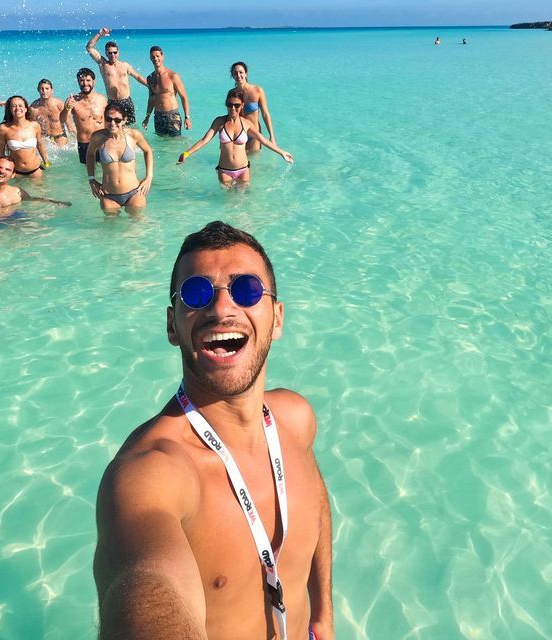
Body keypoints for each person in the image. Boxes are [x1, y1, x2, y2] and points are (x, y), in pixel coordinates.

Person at [94, 220, 334, 640]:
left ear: (276, 318)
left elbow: (315, 504)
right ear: (173, 325)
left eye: (246, 291)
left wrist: (324, 616)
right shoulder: (151, 472)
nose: (222, 310)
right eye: (197, 293)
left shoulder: (296, 421)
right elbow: (146, 585)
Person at [177, 88, 293, 188]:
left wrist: (281, 152)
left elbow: (263, 140)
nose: (233, 108)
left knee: (242, 205)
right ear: (226, 104)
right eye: (230, 104)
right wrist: (186, 154)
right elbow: (204, 140)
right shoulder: (219, 121)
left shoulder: (246, 123)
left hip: (243, 171)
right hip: (224, 171)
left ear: (242, 105)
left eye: (237, 105)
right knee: (228, 206)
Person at [85, 104, 153, 216]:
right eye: (108, 119)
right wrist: (91, 179)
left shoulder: (133, 135)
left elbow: (148, 151)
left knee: (138, 231)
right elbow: (90, 154)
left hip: (134, 194)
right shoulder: (98, 137)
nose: (112, 123)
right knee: (111, 231)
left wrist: (149, 177)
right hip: (108, 196)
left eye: (117, 120)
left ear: (124, 120)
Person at [85, 27, 148, 126]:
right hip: (112, 103)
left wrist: (150, 86)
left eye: (115, 52)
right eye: (110, 53)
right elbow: (89, 47)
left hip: (126, 101)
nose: (112, 55)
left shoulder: (125, 65)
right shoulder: (103, 64)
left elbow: (138, 77)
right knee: (112, 129)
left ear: (118, 53)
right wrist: (99, 34)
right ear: (106, 53)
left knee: (130, 130)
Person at [61, 68, 109, 166]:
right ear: (78, 82)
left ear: (93, 81)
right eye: (81, 81)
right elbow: (61, 120)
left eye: (88, 80)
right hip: (84, 144)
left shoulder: (102, 99)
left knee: (105, 172)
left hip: (102, 142)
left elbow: (110, 120)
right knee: (87, 176)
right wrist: (67, 108)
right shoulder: (72, 101)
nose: (85, 83)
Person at [142, 46, 191, 138]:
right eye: (153, 57)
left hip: (172, 115)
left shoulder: (173, 76)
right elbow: (151, 98)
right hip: (158, 116)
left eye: (157, 56)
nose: (155, 59)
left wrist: (187, 117)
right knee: (161, 144)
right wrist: (147, 117)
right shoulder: (150, 78)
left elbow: (184, 97)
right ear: (150, 58)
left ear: (162, 56)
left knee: (176, 143)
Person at [229, 61, 276, 153]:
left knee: (255, 162)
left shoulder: (257, 91)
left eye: (241, 72)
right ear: (233, 76)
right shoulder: (232, 93)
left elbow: (265, 114)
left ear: (246, 74)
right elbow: (230, 116)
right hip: (239, 133)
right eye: (235, 73)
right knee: (240, 164)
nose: (238, 75)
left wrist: (272, 137)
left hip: (254, 134)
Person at [0, 95, 49, 177]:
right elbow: (1, 152)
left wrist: (47, 163)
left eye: (20, 105)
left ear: (25, 109)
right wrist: (2, 169)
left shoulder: (34, 125)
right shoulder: (4, 128)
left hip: (35, 170)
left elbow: (40, 145)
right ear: (10, 110)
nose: (17, 108)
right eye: (14, 106)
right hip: (15, 172)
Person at [30, 79, 69, 145]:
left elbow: (69, 125)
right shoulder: (34, 108)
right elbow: (32, 127)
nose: (44, 91)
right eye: (41, 89)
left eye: (47, 88)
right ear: (38, 90)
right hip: (45, 139)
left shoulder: (59, 104)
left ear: (52, 90)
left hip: (60, 136)